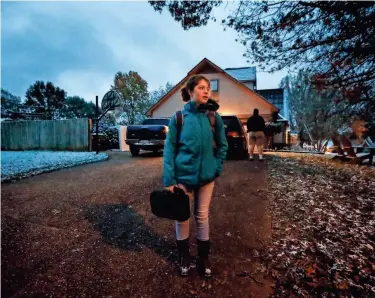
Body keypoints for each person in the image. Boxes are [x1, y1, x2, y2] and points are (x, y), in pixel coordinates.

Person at [163, 75, 228, 277]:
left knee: (202, 216)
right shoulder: (179, 118)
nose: (207, 91)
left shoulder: (213, 116)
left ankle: (204, 257)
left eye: (208, 88)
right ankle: (184, 256)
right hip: (183, 177)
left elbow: (223, 145)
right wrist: (169, 180)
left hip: (207, 177)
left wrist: (216, 167)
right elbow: (169, 151)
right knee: (182, 217)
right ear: (191, 92)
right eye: (201, 87)